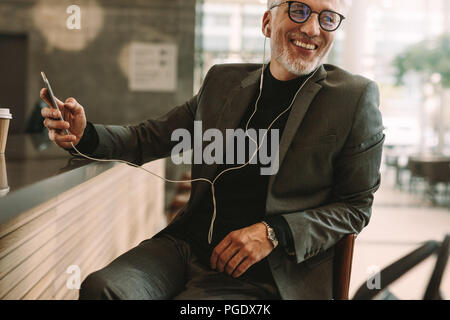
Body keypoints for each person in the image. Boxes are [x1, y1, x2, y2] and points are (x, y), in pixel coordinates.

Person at [40, 0, 384, 300]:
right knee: (103, 289)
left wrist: (274, 232)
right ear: (267, 23)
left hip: (261, 275)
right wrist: (85, 135)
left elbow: (355, 207)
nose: (311, 28)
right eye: (298, 10)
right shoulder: (223, 81)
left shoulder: (352, 98)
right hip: (184, 248)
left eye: (327, 18)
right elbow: (149, 137)